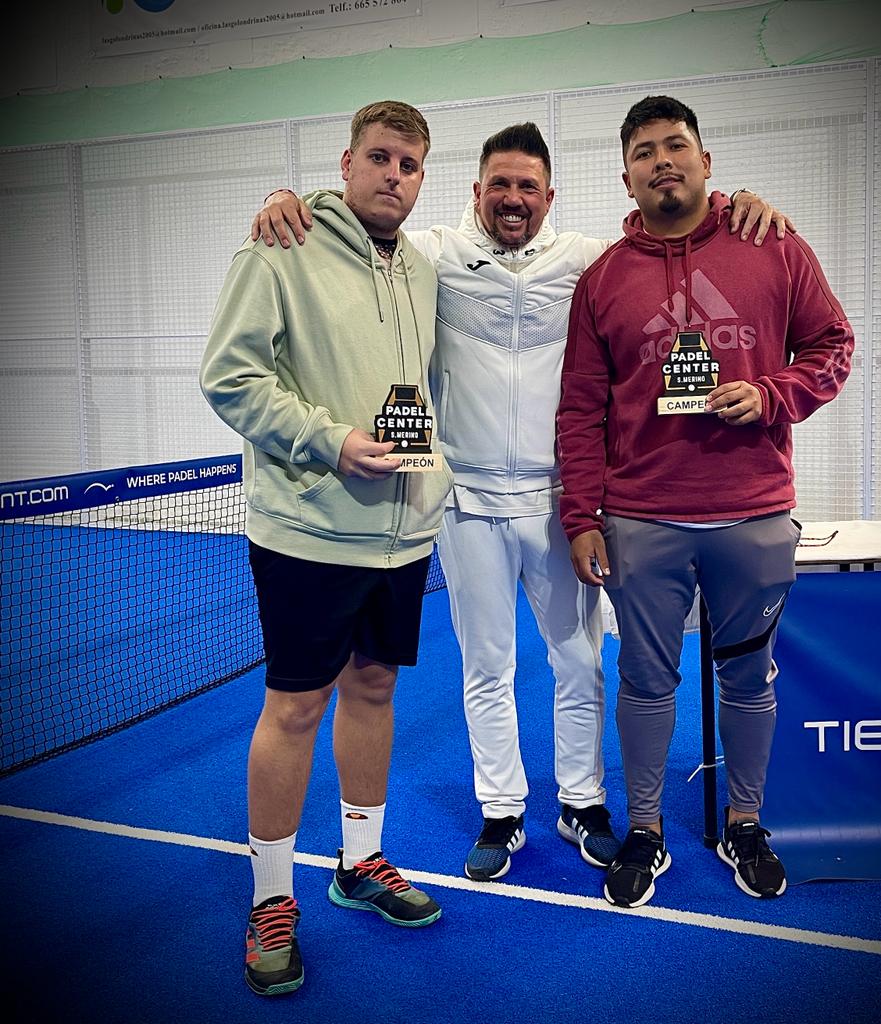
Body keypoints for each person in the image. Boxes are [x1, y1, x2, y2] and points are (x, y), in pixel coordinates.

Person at [251, 124, 791, 884]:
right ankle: (501, 810)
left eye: (528, 187)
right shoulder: (433, 255)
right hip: (465, 502)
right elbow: (364, 218)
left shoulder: (587, 262)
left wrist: (735, 205)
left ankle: (582, 803)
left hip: (558, 502)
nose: (513, 199)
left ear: (549, 197)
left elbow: (666, 230)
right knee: (487, 666)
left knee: (579, 661)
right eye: (499, 185)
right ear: (476, 192)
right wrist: (291, 200)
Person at [557, 95, 854, 908]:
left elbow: (833, 347)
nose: (663, 161)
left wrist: (772, 393)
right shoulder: (603, 281)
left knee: (748, 679)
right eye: (645, 151)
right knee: (645, 680)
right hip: (643, 520)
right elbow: (581, 408)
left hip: (752, 512)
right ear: (627, 174)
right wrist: (581, 516)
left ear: (706, 160)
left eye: (676, 145)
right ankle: (646, 830)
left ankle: (745, 822)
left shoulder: (774, 244)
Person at [201, 100, 453, 998]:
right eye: (381, 158)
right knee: (296, 706)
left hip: (400, 532)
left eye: (412, 164)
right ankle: (272, 900)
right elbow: (230, 374)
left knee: (375, 687)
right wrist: (327, 440)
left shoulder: (422, 269)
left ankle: (359, 860)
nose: (395, 176)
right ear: (347, 163)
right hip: (309, 528)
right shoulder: (284, 243)